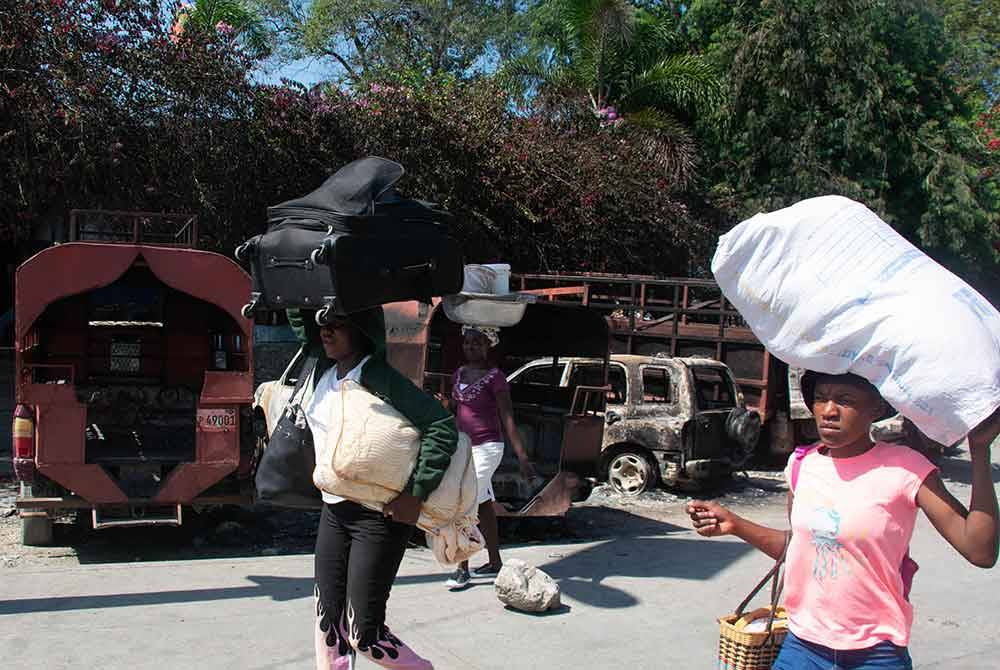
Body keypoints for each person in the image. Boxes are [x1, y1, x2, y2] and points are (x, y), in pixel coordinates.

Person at [687, 371, 1000, 670]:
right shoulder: (802, 464)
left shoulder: (906, 469)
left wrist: (980, 452)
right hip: (802, 647)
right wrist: (735, 524)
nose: (829, 411)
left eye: (845, 400)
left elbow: (980, 551)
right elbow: (802, 548)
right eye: (821, 398)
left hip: (876, 654)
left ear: (877, 408)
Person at [288, 307, 458, 670]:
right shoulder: (323, 367)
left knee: (364, 634)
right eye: (323, 323)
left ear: (362, 329)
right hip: (334, 510)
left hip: (377, 517)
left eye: (337, 323)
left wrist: (415, 493)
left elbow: (441, 427)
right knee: (328, 625)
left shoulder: (376, 375)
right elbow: (302, 320)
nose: (326, 330)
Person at [444, 325, 537, 590]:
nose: (470, 347)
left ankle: (462, 568)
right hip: (463, 447)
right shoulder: (459, 374)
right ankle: (495, 562)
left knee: (464, 502)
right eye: (467, 342)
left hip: (487, 448)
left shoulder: (496, 378)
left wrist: (522, 457)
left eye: (477, 342)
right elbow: (456, 410)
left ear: (489, 345)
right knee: (483, 504)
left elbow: (508, 418)